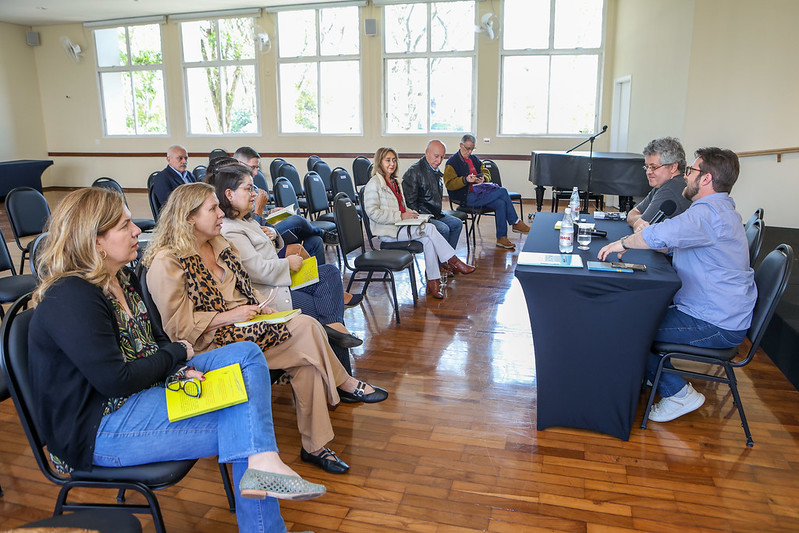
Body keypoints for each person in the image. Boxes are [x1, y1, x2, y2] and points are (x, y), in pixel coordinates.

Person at [28, 187, 326, 533]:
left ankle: (263, 466)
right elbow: (116, 380)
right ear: (95, 241)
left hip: (140, 393)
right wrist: (178, 356)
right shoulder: (71, 296)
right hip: (100, 427)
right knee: (245, 424)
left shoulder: (121, 277)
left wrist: (177, 368)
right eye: (125, 226)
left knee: (246, 354)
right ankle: (265, 498)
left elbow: (153, 341)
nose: (137, 230)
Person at [142, 182, 388, 475]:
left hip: (247, 328)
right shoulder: (167, 262)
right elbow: (179, 329)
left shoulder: (219, 244)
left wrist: (260, 307)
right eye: (213, 208)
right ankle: (343, 384)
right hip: (210, 344)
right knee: (307, 327)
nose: (221, 213)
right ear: (189, 217)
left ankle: (314, 446)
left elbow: (245, 290)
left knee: (306, 360)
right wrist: (232, 316)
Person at [599, 147, 756, 423]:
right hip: (721, 314)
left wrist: (623, 243)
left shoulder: (707, 214)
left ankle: (678, 393)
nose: (686, 176)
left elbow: (659, 234)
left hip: (714, 324)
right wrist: (658, 243)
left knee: (629, 326)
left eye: (691, 171)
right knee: (636, 315)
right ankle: (655, 373)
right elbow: (678, 242)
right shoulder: (720, 210)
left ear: (706, 178)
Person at [210, 163, 362, 349]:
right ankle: (335, 334)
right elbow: (256, 271)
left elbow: (267, 249)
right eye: (248, 189)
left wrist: (274, 236)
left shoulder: (244, 220)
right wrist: (287, 263)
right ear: (229, 194)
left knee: (329, 273)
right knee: (326, 307)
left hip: (278, 280)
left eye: (253, 188)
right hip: (270, 292)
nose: (254, 194)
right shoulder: (231, 229)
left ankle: (334, 329)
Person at [363, 147, 475, 300]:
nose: (392, 164)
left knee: (428, 240)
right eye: (387, 160)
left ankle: (433, 282)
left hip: (400, 226)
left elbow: (402, 207)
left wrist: (412, 214)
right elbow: (373, 213)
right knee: (430, 228)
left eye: (394, 160)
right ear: (379, 162)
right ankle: (453, 260)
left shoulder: (395, 182)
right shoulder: (374, 184)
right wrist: (401, 215)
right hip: (388, 232)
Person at [233, 147, 328, 265]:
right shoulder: (235, 190)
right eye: (253, 167)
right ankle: (321, 232)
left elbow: (254, 214)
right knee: (296, 220)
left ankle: (319, 275)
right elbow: (253, 230)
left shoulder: (251, 187)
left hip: (267, 227)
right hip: (261, 239)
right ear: (239, 163)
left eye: (257, 168)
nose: (256, 172)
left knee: (315, 241)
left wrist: (270, 212)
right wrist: (259, 209)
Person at [443, 134, 529, 250]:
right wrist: (465, 180)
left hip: (478, 193)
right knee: (503, 191)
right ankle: (515, 222)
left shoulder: (474, 159)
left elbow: (485, 171)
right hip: (465, 197)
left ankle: (501, 238)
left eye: (472, 149)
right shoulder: (452, 162)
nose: (469, 151)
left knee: (500, 203)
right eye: (467, 148)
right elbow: (449, 184)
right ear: (461, 145)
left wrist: (484, 178)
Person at [402, 140, 463, 251]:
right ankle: (441, 261)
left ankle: (448, 259)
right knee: (443, 229)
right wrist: (423, 219)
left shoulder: (435, 170)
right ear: (427, 152)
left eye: (442, 157)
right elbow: (410, 204)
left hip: (435, 214)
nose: (439, 161)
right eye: (436, 156)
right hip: (421, 216)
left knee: (457, 224)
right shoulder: (413, 172)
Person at [627, 137, 692, 231]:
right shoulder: (664, 185)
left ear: (673, 167)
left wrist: (641, 220)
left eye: (653, 167)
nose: (648, 172)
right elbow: (633, 213)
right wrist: (641, 220)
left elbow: (641, 228)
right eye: (647, 167)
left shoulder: (671, 189)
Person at [152, 145, 196, 209]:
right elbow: (167, 204)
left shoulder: (190, 175)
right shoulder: (161, 177)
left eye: (186, 158)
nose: (184, 161)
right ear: (169, 159)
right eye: (180, 158)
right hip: (178, 212)